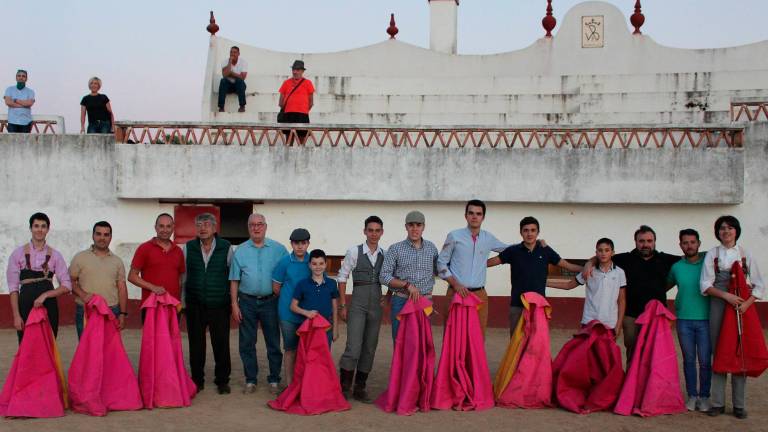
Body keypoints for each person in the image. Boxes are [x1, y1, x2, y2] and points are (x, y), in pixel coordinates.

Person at [700, 216, 765, 419]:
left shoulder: (745, 255)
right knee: (719, 349)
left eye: (729, 228)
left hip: (741, 306)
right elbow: (705, 284)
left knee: (740, 350)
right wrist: (726, 295)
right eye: (722, 228)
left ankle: (739, 404)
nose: (726, 231)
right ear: (717, 232)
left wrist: (746, 304)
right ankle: (717, 403)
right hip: (720, 303)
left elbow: (760, 285)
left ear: (736, 231)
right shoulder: (713, 254)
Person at [488, 216, 583, 335]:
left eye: (533, 230)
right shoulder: (513, 251)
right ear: (520, 232)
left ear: (538, 232)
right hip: (518, 305)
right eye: (526, 230)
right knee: (517, 344)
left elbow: (568, 266)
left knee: (537, 343)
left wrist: (588, 268)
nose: (529, 234)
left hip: (539, 306)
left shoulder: (546, 251)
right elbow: (490, 262)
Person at [230, 213, 288, 395]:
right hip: (246, 301)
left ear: (265, 226)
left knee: (273, 342)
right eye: (252, 225)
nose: (256, 228)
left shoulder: (279, 250)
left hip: (271, 301)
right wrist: (234, 304)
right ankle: (251, 379)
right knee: (247, 343)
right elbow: (234, 280)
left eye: (259, 224)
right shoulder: (239, 251)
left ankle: (274, 379)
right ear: (248, 228)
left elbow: (289, 274)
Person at [437, 200, 507, 336]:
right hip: (456, 293)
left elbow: (510, 250)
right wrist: (455, 284)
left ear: (483, 217)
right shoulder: (454, 236)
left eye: (478, 214)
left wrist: (532, 242)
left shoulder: (488, 238)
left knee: (477, 337)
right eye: (471, 213)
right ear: (466, 216)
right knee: (454, 337)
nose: (474, 217)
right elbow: (441, 263)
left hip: (479, 294)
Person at [611, 225, 679, 361]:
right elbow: (602, 257)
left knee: (655, 354)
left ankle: (651, 383)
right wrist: (590, 263)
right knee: (632, 352)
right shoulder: (624, 259)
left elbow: (690, 258)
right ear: (635, 242)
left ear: (655, 242)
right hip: (631, 316)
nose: (645, 244)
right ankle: (632, 381)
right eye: (641, 241)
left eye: (649, 241)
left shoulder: (665, 259)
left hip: (656, 316)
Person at [183, 213, 233, 395]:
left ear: (214, 228)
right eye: (199, 225)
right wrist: (183, 303)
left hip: (219, 304)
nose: (202, 228)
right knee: (196, 344)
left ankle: (222, 381)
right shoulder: (188, 247)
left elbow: (232, 276)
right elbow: (184, 277)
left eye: (206, 224)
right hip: (194, 303)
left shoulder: (226, 247)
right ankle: (197, 380)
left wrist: (231, 300)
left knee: (221, 343)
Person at [337, 216, 386, 402]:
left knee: (370, 347)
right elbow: (342, 277)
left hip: (376, 306)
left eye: (377, 230)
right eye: (370, 230)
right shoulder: (354, 251)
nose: (374, 234)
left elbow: (391, 277)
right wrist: (343, 304)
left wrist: (387, 296)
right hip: (357, 303)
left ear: (382, 232)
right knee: (353, 346)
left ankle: (360, 387)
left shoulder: (385, 254)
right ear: (364, 231)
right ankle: (344, 386)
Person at [5, 212, 71, 342]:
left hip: (49, 304)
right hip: (25, 305)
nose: (39, 230)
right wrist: (16, 316)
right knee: (25, 345)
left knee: (48, 343)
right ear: (30, 228)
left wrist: (45, 295)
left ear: (48, 229)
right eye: (36, 226)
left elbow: (67, 286)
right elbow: (13, 288)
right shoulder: (17, 254)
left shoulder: (56, 255)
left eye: (43, 226)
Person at [667, 228, 711, 412]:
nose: (689, 245)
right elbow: (663, 286)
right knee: (689, 359)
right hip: (684, 319)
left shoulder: (708, 262)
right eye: (685, 243)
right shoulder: (676, 266)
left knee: (705, 361)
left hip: (706, 319)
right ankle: (692, 395)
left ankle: (705, 397)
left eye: (693, 242)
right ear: (680, 245)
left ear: (699, 244)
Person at [379, 210, 439, 341]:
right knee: (401, 341)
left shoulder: (432, 248)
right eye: (411, 225)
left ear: (424, 227)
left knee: (422, 342)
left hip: (424, 301)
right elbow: (383, 276)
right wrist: (407, 285)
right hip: (402, 300)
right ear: (406, 226)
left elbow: (440, 270)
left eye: (418, 225)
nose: (415, 229)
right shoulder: (395, 248)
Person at [546, 238, 626, 333]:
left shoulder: (619, 273)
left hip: (610, 323)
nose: (603, 253)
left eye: (607, 250)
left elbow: (621, 300)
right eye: (600, 250)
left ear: (612, 253)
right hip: (589, 321)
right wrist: (544, 283)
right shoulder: (588, 271)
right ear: (596, 253)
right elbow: (568, 285)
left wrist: (618, 325)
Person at [70, 221, 128, 339]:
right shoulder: (80, 257)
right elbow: (69, 281)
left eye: (106, 235)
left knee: (109, 351)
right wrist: (83, 294)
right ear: (93, 235)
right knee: (86, 349)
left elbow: (122, 288)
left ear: (111, 237)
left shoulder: (117, 261)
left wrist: (122, 313)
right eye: (99, 234)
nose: (102, 238)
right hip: (86, 310)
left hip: (112, 311)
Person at [127, 213, 186, 322]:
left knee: (172, 339)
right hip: (151, 306)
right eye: (161, 226)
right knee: (152, 339)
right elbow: (131, 276)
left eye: (168, 226)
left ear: (173, 228)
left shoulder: (178, 251)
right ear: (155, 227)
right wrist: (152, 287)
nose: (165, 230)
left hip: (172, 307)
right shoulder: (144, 248)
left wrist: (179, 303)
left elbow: (180, 279)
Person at [272, 228, 311, 386]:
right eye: (296, 243)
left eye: (303, 243)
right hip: (288, 314)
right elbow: (276, 287)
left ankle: (304, 384)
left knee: (306, 350)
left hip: (307, 314)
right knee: (290, 349)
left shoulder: (312, 261)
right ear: (291, 244)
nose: (300, 246)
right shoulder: (284, 262)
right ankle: (289, 385)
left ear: (308, 243)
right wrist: (290, 299)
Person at [291, 249, 340, 347]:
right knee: (308, 357)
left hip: (326, 327)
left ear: (326, 264)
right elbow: (293, 306)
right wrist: (307, 313)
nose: (318, 267)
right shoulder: (302, 284)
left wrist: (335, 329)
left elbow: (334, 308)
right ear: (309, 265)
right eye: (314, 264)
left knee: (323, 357)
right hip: (307, 327)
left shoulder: (332, 283)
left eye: (321, 263)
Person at [277, 60, 315, 144]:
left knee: (302, 141)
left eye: (297, 70)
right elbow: (280, 102)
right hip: (288, 114)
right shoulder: (286, 83)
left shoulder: (308, 83)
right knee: (289, 140)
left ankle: (301, 157)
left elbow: (311, 102)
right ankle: (287, 156)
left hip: (302, 115)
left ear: (302, 71)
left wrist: (303, 111)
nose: (295, 72)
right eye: (293, 69)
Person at [218, 46, 248, 113]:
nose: (232, 54)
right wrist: (230, 62)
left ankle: (242, 106)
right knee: (223, 81)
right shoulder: (225, 62)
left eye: (234, 52)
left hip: (239, 87)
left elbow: (243, 77)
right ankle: (221, 107)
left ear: (238, 54)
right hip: (228, 87)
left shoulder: (243, 62)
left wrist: (231, 73)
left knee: (239, 81)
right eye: (231, 52)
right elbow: (224, 75)